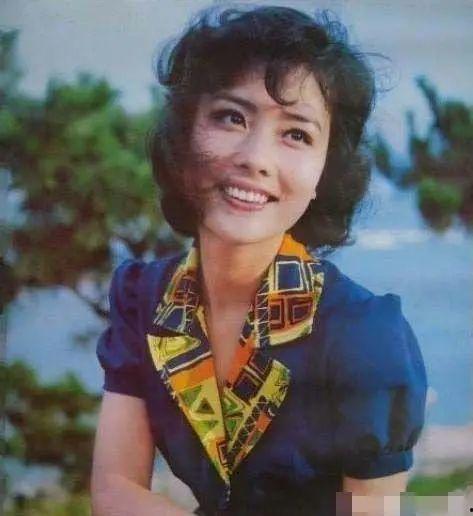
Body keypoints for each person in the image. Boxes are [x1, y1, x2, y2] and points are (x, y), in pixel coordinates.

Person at [91, 5, 427, 515]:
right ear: (184, 137)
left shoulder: (363, 334)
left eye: (296, 134)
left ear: (324, 173)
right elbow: (114, 489)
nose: (255, 158)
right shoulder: (144, 299)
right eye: (232, 117)